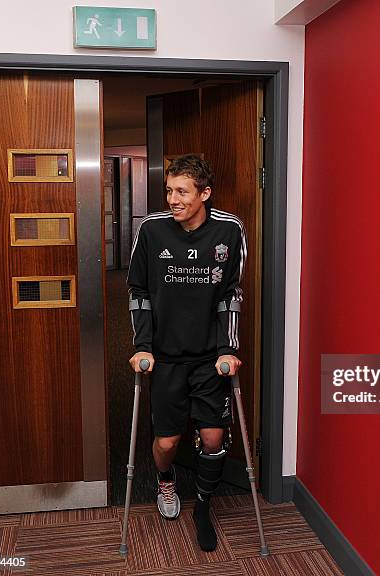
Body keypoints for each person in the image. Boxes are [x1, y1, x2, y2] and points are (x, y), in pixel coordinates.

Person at [127, 154, 246, 552]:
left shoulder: (229, 230)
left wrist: (228, 348)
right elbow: (138, 293)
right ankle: (165, 481)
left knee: (214, 437)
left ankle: (203, 505)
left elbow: (230, 294)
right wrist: (142, 346)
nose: (172, 198)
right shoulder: (153, 231)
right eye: (169, 190)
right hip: (165, 357)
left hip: (209, 357)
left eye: (182, 191)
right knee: (167, 444)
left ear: (205, 193)